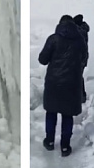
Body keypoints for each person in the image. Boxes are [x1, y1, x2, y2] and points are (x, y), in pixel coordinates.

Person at [38, 15, 88, 157]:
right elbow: (84, 59)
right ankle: (65, 146)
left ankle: (49, 141)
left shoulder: (53, 39)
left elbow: (42, 59)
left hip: (54, 82)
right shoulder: (80, 41)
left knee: (51, 112)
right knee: (67, 115)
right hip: (72, 84)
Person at [73, 14, 90, 104]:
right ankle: (80, 96)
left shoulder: (80, 31)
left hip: (79, 57)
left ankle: (81, 97)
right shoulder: (83, 30)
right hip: (82, 57)